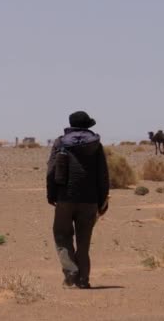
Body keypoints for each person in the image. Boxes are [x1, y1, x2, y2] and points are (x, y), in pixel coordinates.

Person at [46, 111, 109, 289]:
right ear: (88, 126)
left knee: (61, 235)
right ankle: (83, 279)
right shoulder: (96, 145)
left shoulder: (60, 143)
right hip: (90, 200)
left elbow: (51, 171)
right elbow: (103, 175)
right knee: (84, 241)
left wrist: (51, 195)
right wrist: (103, 201)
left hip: (64, 198)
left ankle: (71, 272)